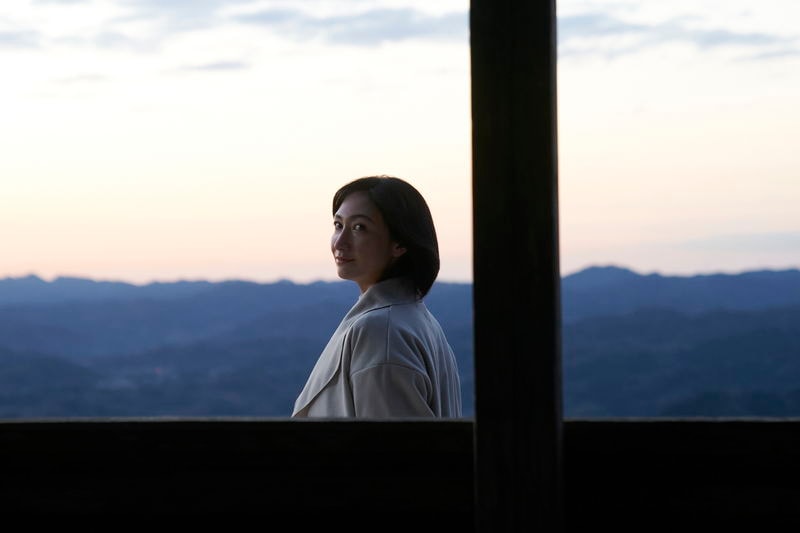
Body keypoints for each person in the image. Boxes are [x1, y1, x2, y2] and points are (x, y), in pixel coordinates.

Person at [292, 175, 463, 418]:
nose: (340, 242)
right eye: (338, 225)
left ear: (399, 243)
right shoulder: (414, 320)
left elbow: (387, 441)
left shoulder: (381, 330)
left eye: (359, 228)